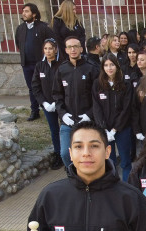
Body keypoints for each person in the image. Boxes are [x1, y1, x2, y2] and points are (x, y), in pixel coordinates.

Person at [53, 36, 99, 168]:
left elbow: (97, 96)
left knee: (87, 155)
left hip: (87, 121)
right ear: (66, 50)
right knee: (65, 154)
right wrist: (63, 114)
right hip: (68, 121)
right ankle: (73, 177)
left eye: (75, 46)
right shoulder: (61, 70)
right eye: (69, 47)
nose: (73, 49)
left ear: (81, 48)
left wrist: (89, 115)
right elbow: (57, 95)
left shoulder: (91, 69)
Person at [92, 54, 134, 181]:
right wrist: (104, 129)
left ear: (117, 66)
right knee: (110, 162)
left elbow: (126, 109)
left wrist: (115, 129)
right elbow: (96, 107)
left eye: (112, 65)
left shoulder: (126, 84)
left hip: (122, 129)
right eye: (106, 65)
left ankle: (127, 187)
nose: (109, 68)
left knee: (126, 161)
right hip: (105, 130)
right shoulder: (97, 84)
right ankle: (113, 187)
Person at [15, 3, 54, 121]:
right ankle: (35, 111)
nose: (24, 13)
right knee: (32, 87)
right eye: (23, 11)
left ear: (34, 14)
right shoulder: (20, 28)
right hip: (26, 64)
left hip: (41, 64)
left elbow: (51, 42)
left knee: (46, 86)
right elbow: (18, 44)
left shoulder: (43, 27)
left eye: (27, 11)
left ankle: (51, 108)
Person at [31, 38, 63, 170]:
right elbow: (35, 87)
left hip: (61, 105)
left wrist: (58, 102)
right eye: (46, 49)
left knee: (65, 130)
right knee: (54, 130)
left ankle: (69, 155)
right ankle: (58, 154)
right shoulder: (40, 66)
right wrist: (44, 103)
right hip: (47, 105)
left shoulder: (62, 64)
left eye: (50, 48)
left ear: (55, 49)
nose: (48, 51)